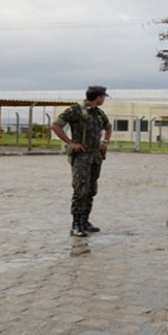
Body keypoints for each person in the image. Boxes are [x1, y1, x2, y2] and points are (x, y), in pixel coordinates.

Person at [51, 85, 112, 237]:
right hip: (82, 156)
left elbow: (108, 127)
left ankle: (85, 221)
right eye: (103, 96)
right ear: (98, 97)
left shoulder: (99, 113)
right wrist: (70, 142)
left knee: (91, 190)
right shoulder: (75, 110)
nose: (104, 99)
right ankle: (76, 224)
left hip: (95, 156)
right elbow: (56, 125)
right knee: (80, 190)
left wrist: (105, 141)